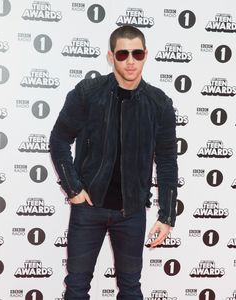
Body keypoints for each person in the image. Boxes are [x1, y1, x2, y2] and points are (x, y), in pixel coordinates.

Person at [49, 25, 178, 300]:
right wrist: (73, 189)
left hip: (131, 213)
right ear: (111, 56)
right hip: (88, 209)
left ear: (146, 55)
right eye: (122, 54)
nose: (130, 61)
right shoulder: (88, 93)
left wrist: (167, 215)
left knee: (131, 288)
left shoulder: (159, 104)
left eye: (137, 53)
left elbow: (167, 161)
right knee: (76, 288)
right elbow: (59, 140)